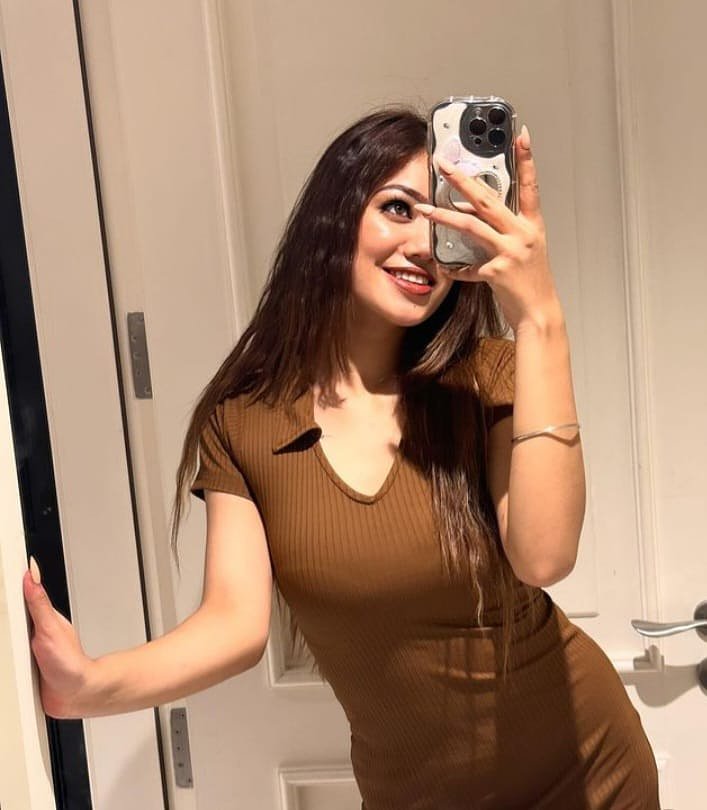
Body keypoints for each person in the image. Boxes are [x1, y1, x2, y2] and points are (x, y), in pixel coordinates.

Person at [23, 107, 660, 809]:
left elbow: (544, 558)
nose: (422, 245)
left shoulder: (489, 378)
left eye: (443, 222)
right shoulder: (244, 423)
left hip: (585, 773)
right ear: (334, 217)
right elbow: (234, 625)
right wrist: (88, 685)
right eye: (398, 208)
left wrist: (540, 318)